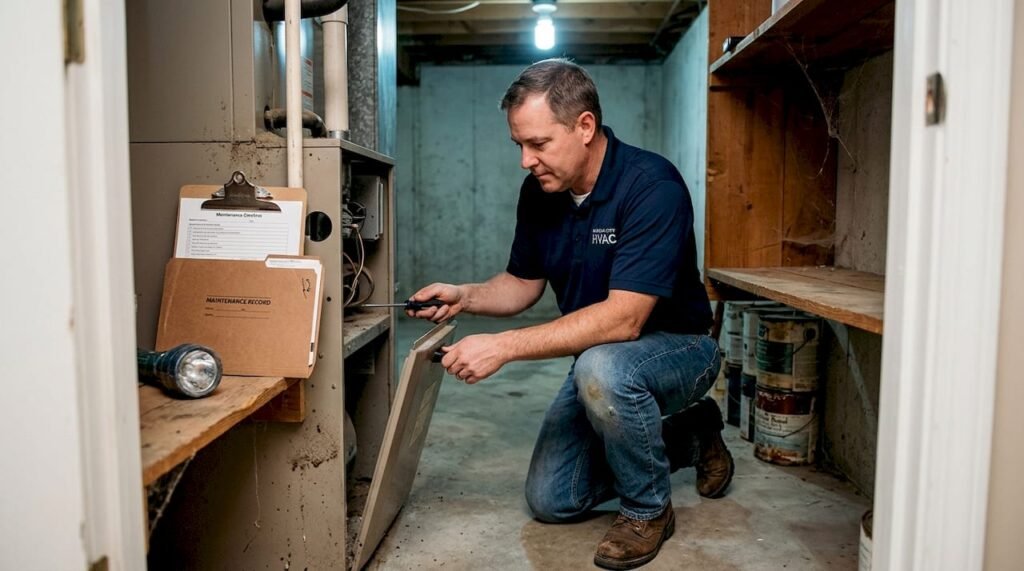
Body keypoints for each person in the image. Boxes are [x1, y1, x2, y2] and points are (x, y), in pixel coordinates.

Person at [406, 58, 732, 570]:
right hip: (598, 359)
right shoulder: (540, 194)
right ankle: (691, 436)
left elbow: (625, 320)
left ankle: (648, 510)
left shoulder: (651, 186)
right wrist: (464, 295)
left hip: (679, 348)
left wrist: (503, 347)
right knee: (553, 499)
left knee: (601, 368)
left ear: (585, 126)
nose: (525, 160)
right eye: (519, 145)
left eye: (538, 144)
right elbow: (522, 284)